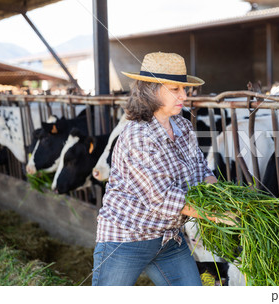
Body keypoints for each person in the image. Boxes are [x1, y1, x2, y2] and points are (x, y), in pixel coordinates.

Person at [92, 52, 224, 286]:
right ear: (151, 90)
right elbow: (162, 199)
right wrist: (218, 214)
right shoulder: (138, 135)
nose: (184, 95)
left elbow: (201, 170)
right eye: (175, 89)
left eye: (184, 89)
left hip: (169, 240)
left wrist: (223, 197)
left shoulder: (182, 126)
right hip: (127, 239)